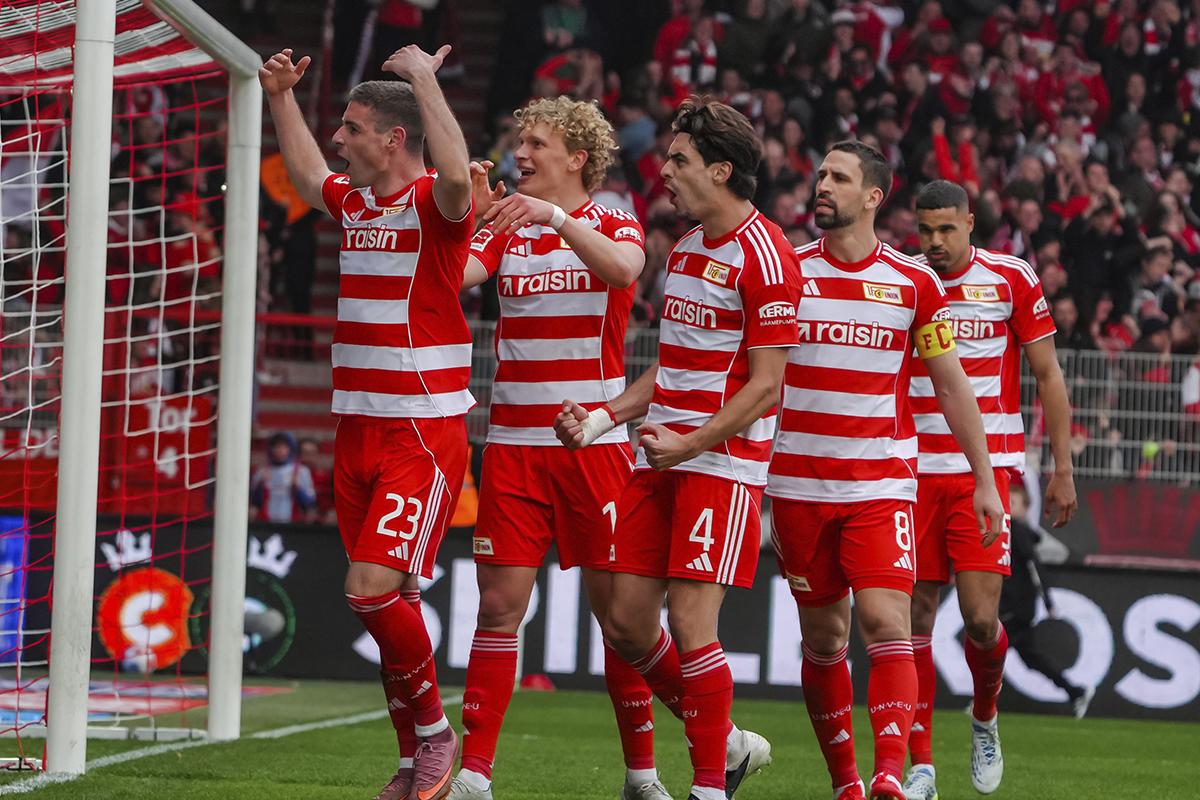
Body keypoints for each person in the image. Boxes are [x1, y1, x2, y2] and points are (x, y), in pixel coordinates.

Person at [556, 97, 798, 800]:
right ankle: (724, 741)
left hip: (720, 465)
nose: (665, 170)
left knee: (693, 625)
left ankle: (708, 787)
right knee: (627, 621)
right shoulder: (688, 249)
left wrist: (690, 443)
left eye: (680, 159)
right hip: (659, 455)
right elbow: (674, 367)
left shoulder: (767, 254)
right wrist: (604, 419)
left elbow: (767, 386)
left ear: (720, 170)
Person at [259, 43, 474, 800]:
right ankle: (415, 757)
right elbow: (314, 177)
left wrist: (422, 78)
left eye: (352, 127)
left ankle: (438, 738)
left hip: (420, 427)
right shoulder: (357, 202)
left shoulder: (436, 207)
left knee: (371, 590)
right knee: (392, 605)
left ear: (393, 139)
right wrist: (283, 98)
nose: (341, 138)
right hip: (356, 425)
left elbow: (454, 174)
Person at [766, 143, 1006, 800]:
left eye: (838, 178)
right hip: (795, 488)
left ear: (873, 196)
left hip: (880, 486)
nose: (822, 186)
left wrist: (985, 478)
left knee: (887, 624)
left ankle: (891, 777)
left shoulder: (913, 283)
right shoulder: (786, 272)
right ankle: (847, 784)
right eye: (819, 175)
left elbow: (953, 386)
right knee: (824, 639)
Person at [448, 96, 658, 800]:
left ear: (578, 157)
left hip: (593, 446)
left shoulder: (612, 214)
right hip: (512, 446)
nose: (521, 154)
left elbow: (626, 271)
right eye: (518, 140)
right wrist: (467, 215)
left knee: (622, 622)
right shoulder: (507, 223)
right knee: (499, 607)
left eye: (536, 142)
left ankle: (641, 774)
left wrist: (558, 219)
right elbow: (456, 278)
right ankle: (475, 773)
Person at [902, 180, 1079, 800]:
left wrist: (1060, 467)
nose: (936, 242)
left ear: (971, 223)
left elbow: (1048, 373)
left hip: (987, 475)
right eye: (926, 230)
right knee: (915, 618)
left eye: (947, 229)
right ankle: (920, 764)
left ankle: (984, 716)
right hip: (913, 472)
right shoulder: (904, 280)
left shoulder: (1011, 278)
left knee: (981, 620)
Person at [1000, 483, 1094, 718]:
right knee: (1030, 658)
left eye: (1013, 503)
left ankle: (980, 701)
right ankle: (1075, 691)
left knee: (991, 651)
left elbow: (1034, 568)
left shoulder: (1018, 532)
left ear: (1026, 508)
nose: (1008, 508)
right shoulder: (1011, 533)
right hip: (1014, 604)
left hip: (1017, 606)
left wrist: (1047, 601)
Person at [249, 431, 317, 523]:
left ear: (290, 448)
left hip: (292, 524)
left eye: (284, 446)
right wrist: (261, 486)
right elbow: (255, 503)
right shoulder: (261, 472)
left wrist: (297, 488)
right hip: (267, 523)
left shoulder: (301, 471)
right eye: (276, 446)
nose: (280, 450)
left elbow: (310, 503)